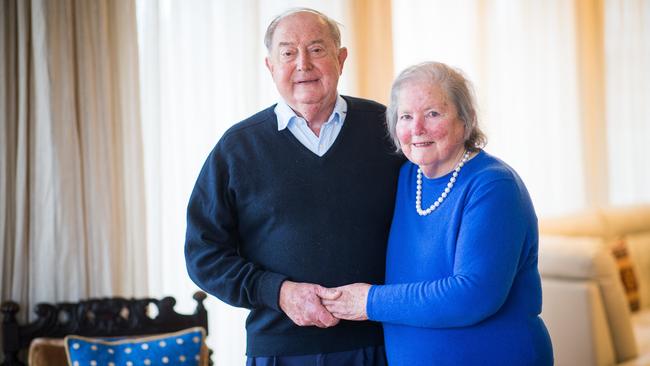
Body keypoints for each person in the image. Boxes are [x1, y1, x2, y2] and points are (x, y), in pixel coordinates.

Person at [184, 8, 403, 366]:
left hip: (382, 345)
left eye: (317, 49)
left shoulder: (389, 130)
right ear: (270, 66)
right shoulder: (237, 148)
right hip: (279, 350)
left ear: (341, 58)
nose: (303, 64)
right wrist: (278, 292)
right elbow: (203, 253)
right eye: (288, 53)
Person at [322, 61, 554, 365]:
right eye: (405, 116)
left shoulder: (493, 185)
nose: (416, 128)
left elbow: (473, 296)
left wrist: (368, 301)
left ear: (466, 119)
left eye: (432, 113)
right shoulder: (406, 177)